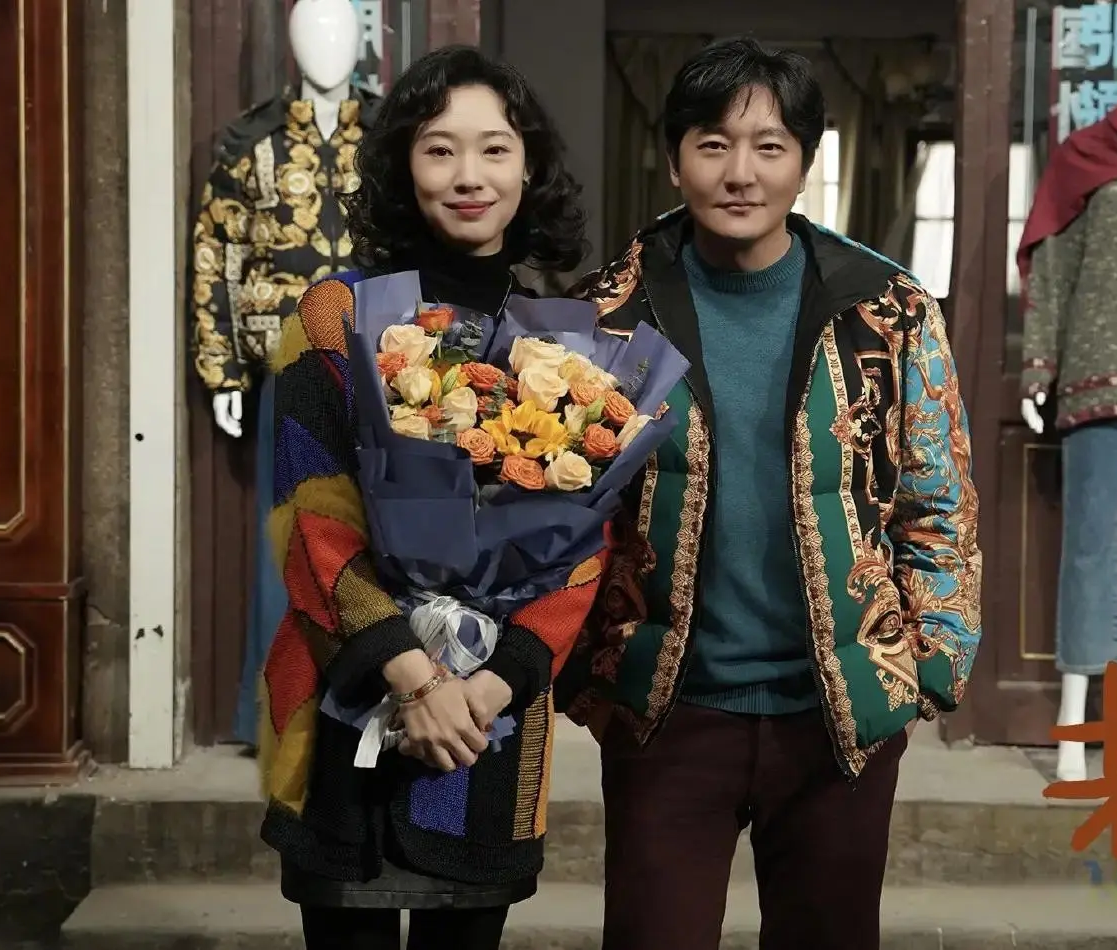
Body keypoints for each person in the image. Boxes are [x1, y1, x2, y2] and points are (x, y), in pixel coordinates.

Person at [562, 37, 983, 950]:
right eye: (713, 144)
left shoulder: (886, 308)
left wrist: (928, 668)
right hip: (667, 711)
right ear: (674, 158)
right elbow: (563, 513)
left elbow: (937, 502)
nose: (740, 173)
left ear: (805, 159)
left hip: (838, 712)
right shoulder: (607, 313)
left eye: (768, 146)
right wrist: (590, 672)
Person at [258, 45, 589, 950]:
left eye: (494, 148)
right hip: (347, 712)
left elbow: (582, 552)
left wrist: (487, 686)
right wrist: (415, 680)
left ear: (529, 166)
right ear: (405, 166)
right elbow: (312, 525)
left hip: (488, 726)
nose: (469, 175)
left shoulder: (564, 345)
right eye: (440, 149)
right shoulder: (332, 317)